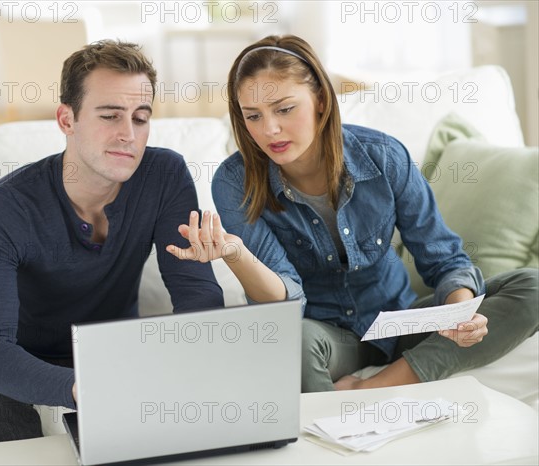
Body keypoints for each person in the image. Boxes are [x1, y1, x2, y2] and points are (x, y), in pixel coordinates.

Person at [167, 34, 538, 393]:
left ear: (321, 102)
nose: (270, 129)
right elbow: (284, 303)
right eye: (253, 116)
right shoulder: (235, 182)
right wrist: (237, 255)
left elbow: (443, 258)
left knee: (533, 285)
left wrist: (459, 316)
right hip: (325, 334)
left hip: (397, 320)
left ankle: (381, 385)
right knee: (287, 343)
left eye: (284, 109)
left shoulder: (384, 157)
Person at [0, 40, 224, 465]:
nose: (128, 135)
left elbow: (198, 298)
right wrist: (84, 385)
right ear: (66, 118)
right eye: (110, 115)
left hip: (116, 347)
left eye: (140, 118)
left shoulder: (164, 175)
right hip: (21, 354)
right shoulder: (4, 208)